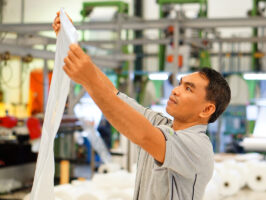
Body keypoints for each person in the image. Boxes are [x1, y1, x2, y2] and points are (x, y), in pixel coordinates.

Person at [53, 12, 231, 200]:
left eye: (188, 89)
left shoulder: (197, 147)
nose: (176, 90)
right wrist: (73, 48)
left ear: (207, 109)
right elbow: (114, 95)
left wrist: (88, 80)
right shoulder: (162, 125)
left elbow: (145, 136)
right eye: (179, 84)